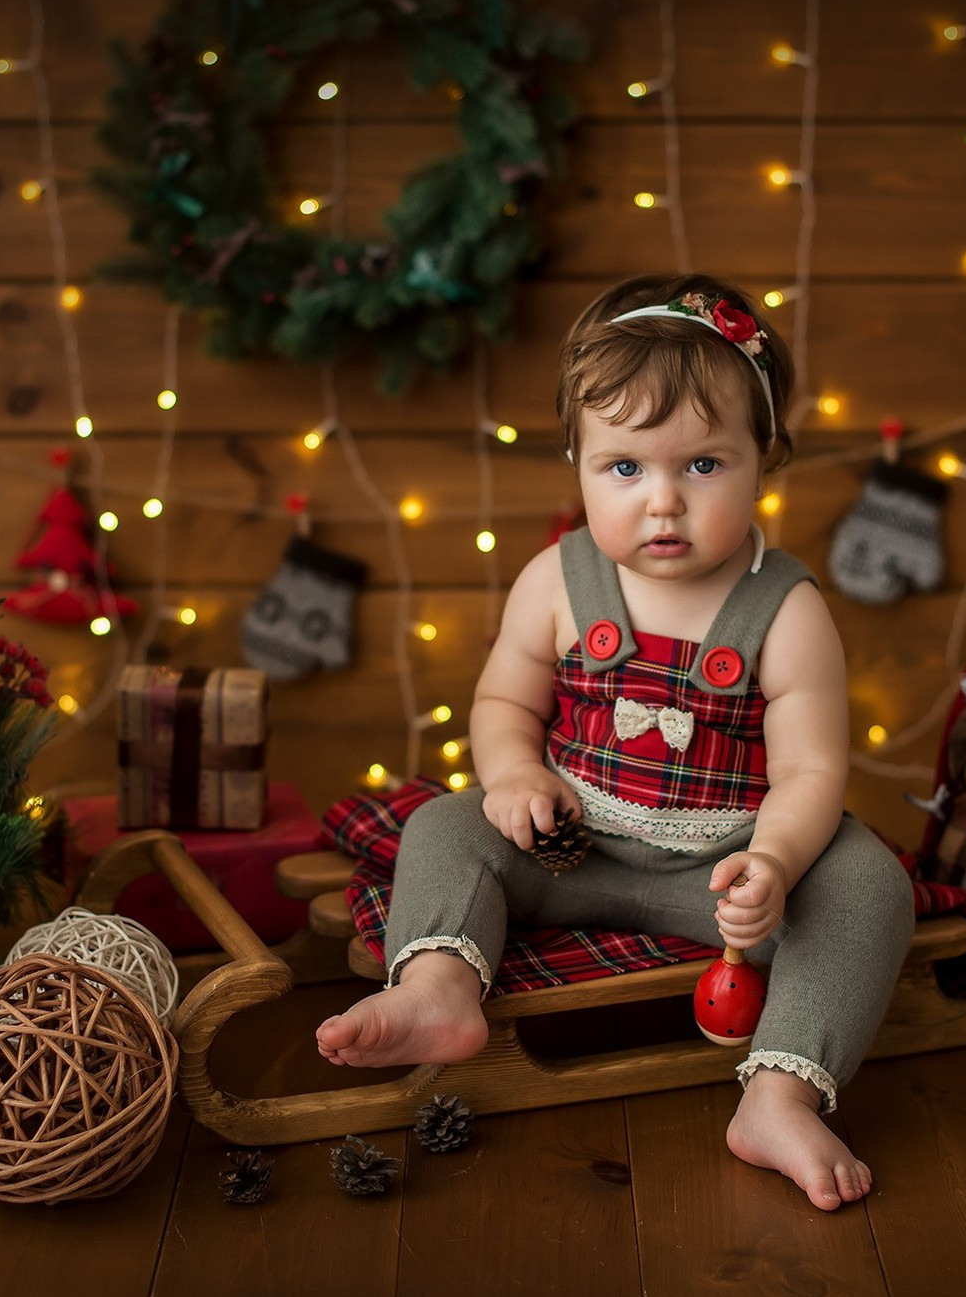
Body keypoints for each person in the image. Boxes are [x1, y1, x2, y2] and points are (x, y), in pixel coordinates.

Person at [314, 274, 915, 1211]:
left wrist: (774, 862)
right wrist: (513, 773)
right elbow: (504, 701)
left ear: (765, 457)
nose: (663, 502)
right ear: (580, 461)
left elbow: (810, 770)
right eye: (625, 468)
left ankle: (779, 1093)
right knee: (442, 823)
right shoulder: (555, 581)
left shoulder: (788, 611)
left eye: (703, 466)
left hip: (721, 877)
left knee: (869, 882)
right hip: (571, 848)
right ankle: (438, 983)